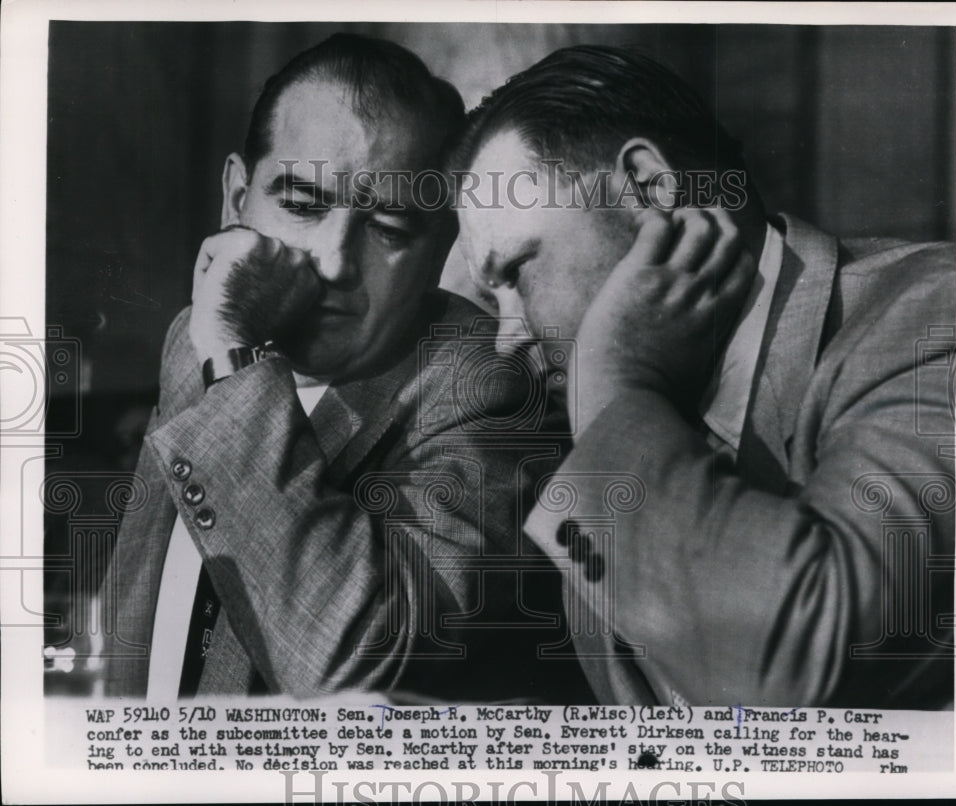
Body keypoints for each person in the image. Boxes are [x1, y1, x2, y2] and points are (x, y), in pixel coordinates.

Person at [454, 45, 955, 707]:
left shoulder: (941, 315)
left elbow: (808, 668)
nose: (507, 337)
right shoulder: (606, 442)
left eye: (518, 273)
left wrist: (617, 383)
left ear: (649, 188)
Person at [101, 33, 593, 702]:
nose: (333, 262)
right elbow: (143, 611)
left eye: (387, 228)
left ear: (440, 247)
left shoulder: (489, 389)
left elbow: (350, 664)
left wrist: (235, 364)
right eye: (302, 205)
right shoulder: (195, 338)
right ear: (236, 197)